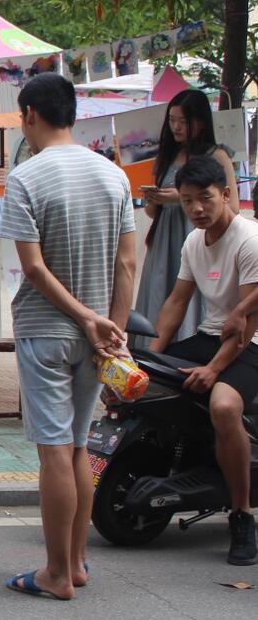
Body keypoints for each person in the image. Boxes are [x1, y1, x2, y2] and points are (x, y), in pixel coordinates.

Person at [0, 73, 137, 601]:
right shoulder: (113, 175)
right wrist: (111, 329)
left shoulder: (25, 178)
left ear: (31, 115)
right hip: (98, 337)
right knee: (79, 446)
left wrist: (83, 318)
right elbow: (127, 262)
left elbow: (33, 269)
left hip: (46, 330)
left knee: (55, 451)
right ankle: (76, 562)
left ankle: (55, 573)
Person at [150, 155, 257, 565]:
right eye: (188, 200)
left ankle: (242, 515)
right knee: (146, 384)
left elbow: (247, 320)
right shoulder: (194, 242)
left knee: (224, 406)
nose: (196, 208)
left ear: (226, 194)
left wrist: (214, 370)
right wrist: (150, 358)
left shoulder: (249, 240)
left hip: (252, 342)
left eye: (205, 198)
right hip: (211, 336)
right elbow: (177, 302)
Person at [133, 89, 239, 348]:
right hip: (164, 242)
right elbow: (152, 214)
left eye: (183, 121)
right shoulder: (167, 156)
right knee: (161, 292)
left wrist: (180, 199)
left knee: (191, 298)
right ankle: (154, 354)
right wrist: (155, 200)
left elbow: (233, 207)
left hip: (199, 238)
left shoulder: (216, 155)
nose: (176, 127)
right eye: (172, 120)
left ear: (200, 122)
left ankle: (188, 351)